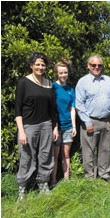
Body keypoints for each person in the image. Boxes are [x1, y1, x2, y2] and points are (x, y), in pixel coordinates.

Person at [15, 52, 58, 201]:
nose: (40, 67)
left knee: (46, 156)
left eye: (43, 64)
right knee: (26, 157)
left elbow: (53, 109)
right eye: (37, 64)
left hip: (46, 124)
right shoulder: (23, 83)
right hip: (29, 126)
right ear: (32, 65)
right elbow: (18, 109)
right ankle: (22, 188)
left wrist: (55, 127)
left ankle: (43, 184)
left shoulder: (49, 83)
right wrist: (21, 131)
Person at [75, 55, 110, 181]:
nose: (96, 67)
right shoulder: (82, 82)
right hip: (90, 121)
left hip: (106, 120)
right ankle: (90, 175)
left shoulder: (109, 81)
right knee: (88, 150)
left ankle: (104, 173)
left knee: (105, 148)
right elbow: (79, 104)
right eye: (93, 65)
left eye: (99, 65)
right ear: (88, 66)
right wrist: (87, 122)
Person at [51, 58, 76, 187]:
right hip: (56, 127)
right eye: (61, 73)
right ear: (57, 73)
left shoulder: (71, 90)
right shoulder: (52, 87)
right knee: (55, 156)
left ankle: (66, 180)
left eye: (65, 72)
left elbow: (72, 109)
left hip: (67, 126)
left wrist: (74, 126)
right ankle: (53, 180)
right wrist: (54, 126)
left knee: (66, 154)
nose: (63, 75)